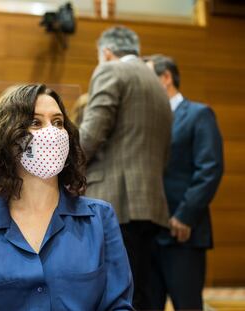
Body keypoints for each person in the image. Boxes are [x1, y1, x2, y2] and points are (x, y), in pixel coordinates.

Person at [0, 84, 134, 310]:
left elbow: (119, 306)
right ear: (7, 138)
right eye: (35, 122)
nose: (51, 132)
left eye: (58, 122)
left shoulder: (99, 218)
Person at [79, 26, 172, 309]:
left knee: (113, 293)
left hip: (116, 200)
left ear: (107, 52)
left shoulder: (111, 71)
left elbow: (91, 134)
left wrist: (60, 164)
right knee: (138, 291)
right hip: (151, 204)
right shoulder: (157, 83)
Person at [145, 54, 224, 310]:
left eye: (148, 78)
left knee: (187, 305)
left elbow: (210, 168)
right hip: (150, 233)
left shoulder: (199, 114)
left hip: (183, 234)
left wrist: (185, 215)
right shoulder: (147, 121)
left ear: (166, 77)